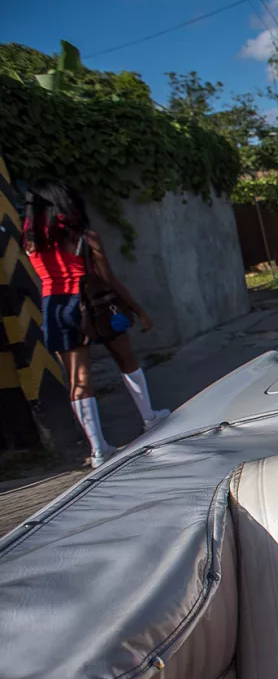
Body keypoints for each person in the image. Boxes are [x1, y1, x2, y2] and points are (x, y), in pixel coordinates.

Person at [22, 178, 170, 468]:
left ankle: (99, 449)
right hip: (92, 305)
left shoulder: (30, 242)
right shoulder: (85, 237)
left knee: (78, 380)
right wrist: (138, 310)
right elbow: (108, 279)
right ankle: (149, 418)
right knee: (126, 360)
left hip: (54, 308)